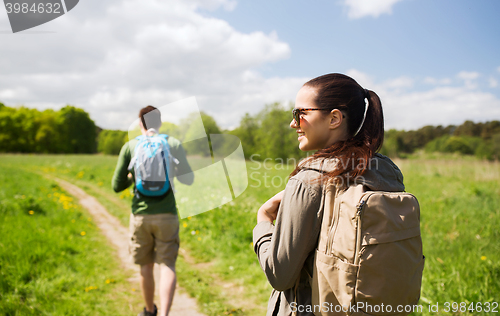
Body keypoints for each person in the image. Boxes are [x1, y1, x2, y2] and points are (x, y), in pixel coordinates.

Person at [253, 73, 406, 315]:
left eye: (300, 113)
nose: (294, 123)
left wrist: (263, 221)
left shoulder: (308, 179)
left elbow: (279, 275)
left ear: (334, 118)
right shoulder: (387, 172)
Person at [112, 105, 194, 316]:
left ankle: (149, 311)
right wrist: (172, 170)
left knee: (145, 266)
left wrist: (133, 178)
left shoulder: (131, 146)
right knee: (167, 265)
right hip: (167, 215)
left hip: (140, 215)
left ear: (140, 123)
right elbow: (189, 179)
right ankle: (165, 314)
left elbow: (116, 185)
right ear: (159, 123)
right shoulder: (172, 143)